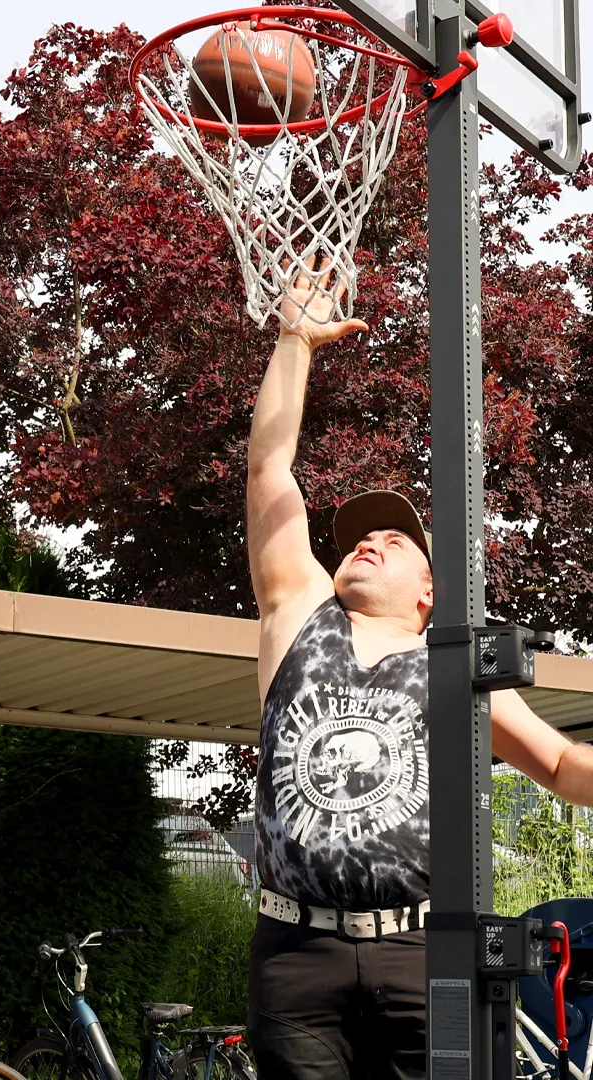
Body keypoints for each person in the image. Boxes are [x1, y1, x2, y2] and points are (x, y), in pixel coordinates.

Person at [245, 267, 593, 1080]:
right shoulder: (298, 612)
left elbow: (563, 764)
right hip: (296, 952)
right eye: (357, 539)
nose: (366, 543)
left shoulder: (454, 669)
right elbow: (269, 472)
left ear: (430, 590)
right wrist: (294, 341)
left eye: (393, 542)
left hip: (416, 950)